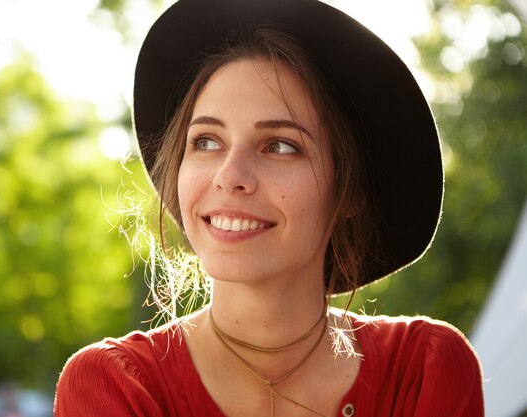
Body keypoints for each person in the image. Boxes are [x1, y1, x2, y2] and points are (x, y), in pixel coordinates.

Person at [54, 0, 485, 416]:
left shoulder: (425, 369)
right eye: (206, 141)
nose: (229, 174)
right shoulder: (114, 385)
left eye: (280, 146)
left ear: (349, 191)